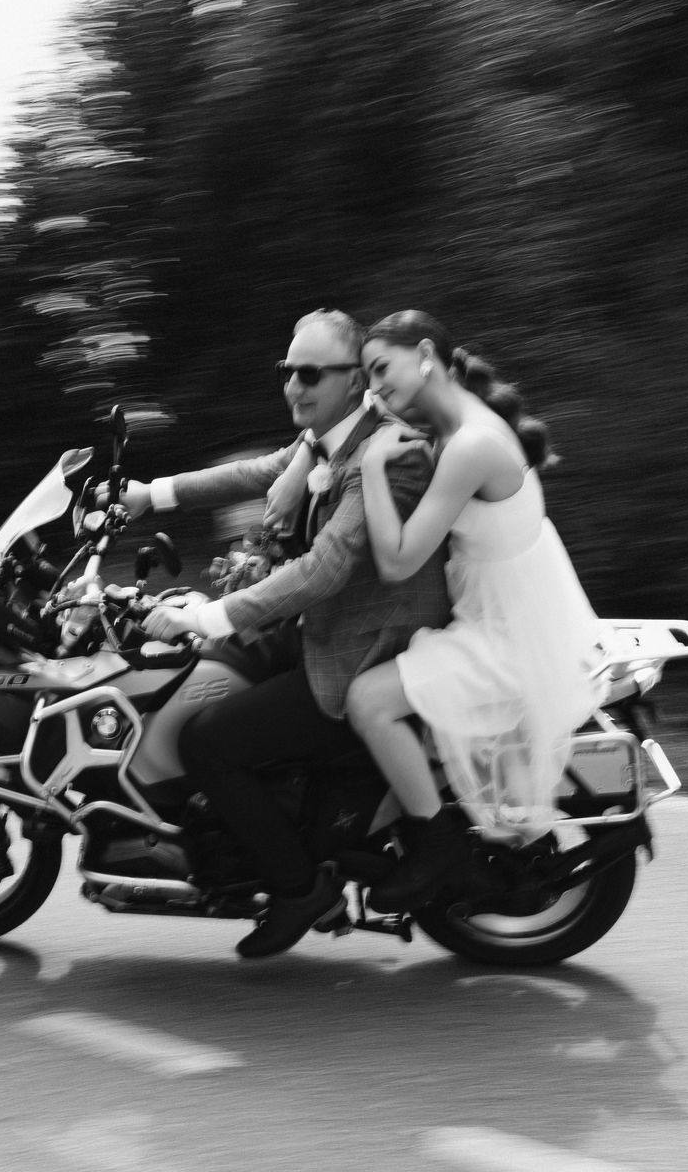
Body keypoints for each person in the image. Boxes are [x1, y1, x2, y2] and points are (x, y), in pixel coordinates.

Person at [119, 308, 451, 958]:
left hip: (363, 653)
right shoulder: (327, 439)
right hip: (313, 631)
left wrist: (212, 613)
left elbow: (326, 566)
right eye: (286, 371)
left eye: (309, 373)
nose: (293, 386)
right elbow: (255, 474)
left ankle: (300, 889)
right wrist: (148, 495)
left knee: (207, 740)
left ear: (356, 380)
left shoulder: (386, 454)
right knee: (194, 671)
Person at [343, 310, 605, 911]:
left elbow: (399, 561)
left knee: (368, 701)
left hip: (508, 637)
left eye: (381, 369)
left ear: (427, 354)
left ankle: (437, 849)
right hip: (494, 616)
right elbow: (343, 423)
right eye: (366, 376)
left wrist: (373, 468)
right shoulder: (447, 424)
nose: (374, 387)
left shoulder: (470, 445)